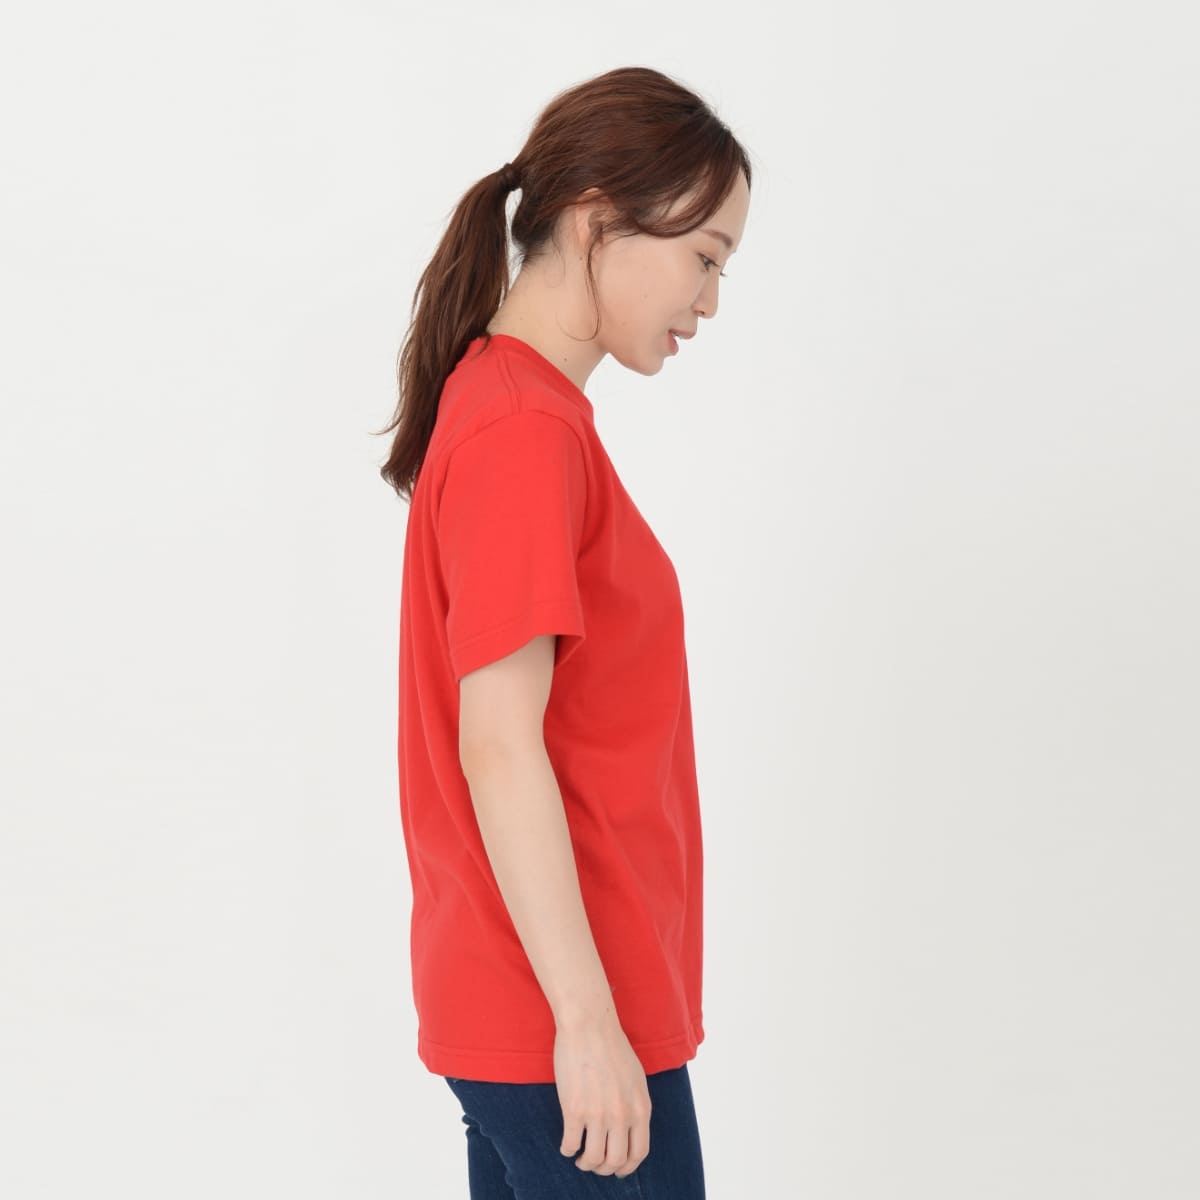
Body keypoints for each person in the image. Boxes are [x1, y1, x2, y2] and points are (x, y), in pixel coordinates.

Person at [375, 65, 752, 1198]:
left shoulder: (515, 411)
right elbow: (498, 743)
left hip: (548, 1011)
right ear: (597, 221)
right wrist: (588, 1023)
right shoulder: (522, 433)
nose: (711, 300)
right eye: (705, 257)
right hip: (564, 1022)